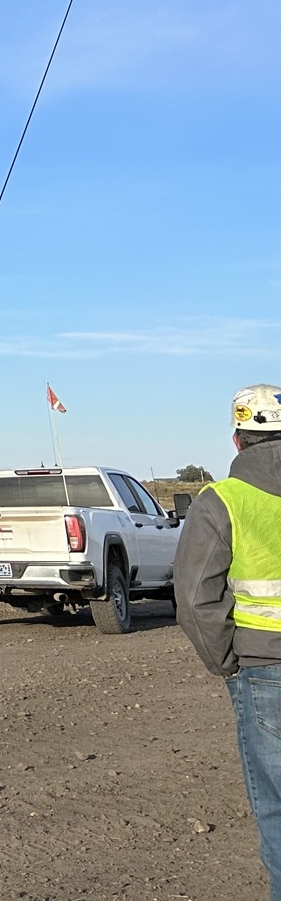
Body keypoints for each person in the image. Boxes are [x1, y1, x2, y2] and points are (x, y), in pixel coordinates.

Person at [177, 383, 281, 899]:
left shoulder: (222, 501)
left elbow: (197, 597)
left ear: (237, 441)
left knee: (278, 808)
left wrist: (226, 662)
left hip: (265, 673)